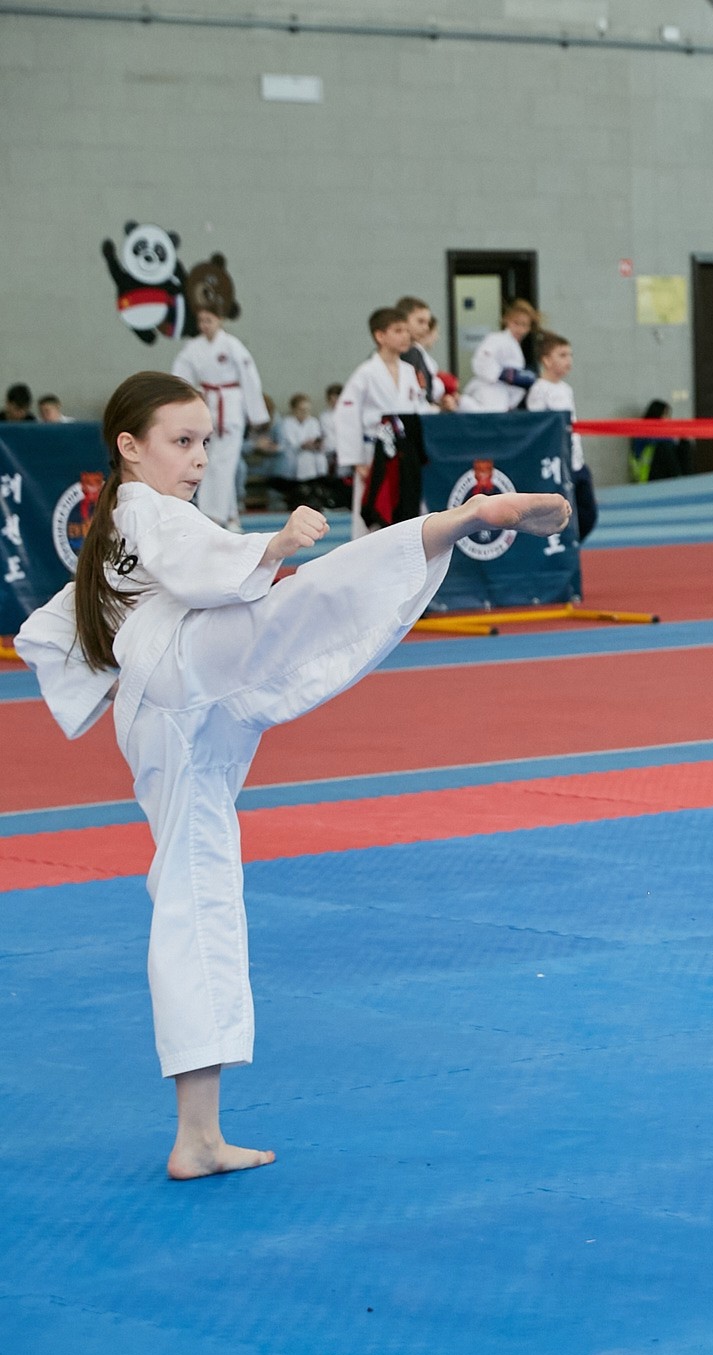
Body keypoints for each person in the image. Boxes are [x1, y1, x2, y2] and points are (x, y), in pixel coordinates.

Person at [13, 370, 571, 1181]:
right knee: (300, 609)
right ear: (128, 447)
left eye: (205, 441)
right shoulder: (143, 510)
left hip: (167, 714)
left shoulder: (115, 528)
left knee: (199, 887)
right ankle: (444, 527)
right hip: (183, 677)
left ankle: (198, 1133)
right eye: (181, 441)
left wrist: (122, 666)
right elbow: (192, 563)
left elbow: (63, 625)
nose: (198, 457)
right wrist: (268, 547)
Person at [335, 306, 433, 538]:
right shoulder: (366, 373)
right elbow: (346, 413)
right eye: (398, 331)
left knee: (408, 510)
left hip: (405, 453)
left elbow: (418, 408)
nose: (405, 336)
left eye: (406, 330)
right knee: (372, 512)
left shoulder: (409, 372)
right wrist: (356, 460)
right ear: (380, 336)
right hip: (373, 452)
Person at [172, 306, 268, 531]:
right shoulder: (193, 348)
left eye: (209, 320)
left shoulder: (232, 345)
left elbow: (250, 378)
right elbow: (179, 376)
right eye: (201, 321)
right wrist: (191, 393)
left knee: (223, 464)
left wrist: (256, 415)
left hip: (231, 409)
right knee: (213, 462)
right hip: (206, 408)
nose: (205, 325)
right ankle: (231, 516)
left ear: (220, 320)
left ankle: (213, 516)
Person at [526, 331, 598, 542]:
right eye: (563, 355)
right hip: (557, 465)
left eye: (570, 355)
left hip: (576, 461)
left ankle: (573, 545)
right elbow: (539, 430)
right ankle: (563, 549)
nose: (569, 360)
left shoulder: (566, 389)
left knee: (588, 514)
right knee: (562, 515)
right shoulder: (539, 390)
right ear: (547, 360)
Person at [459, 298, 540, 413]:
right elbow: (482, 360)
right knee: (485, 415)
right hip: (489, 389)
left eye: (524, 325)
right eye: (516, 323)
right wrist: (501, 374)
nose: (520, 329)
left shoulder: (515, 346)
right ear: (506, 320)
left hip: (503, 397)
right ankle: (459, 402)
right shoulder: (497, 339)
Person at [395, 295, 454, 409]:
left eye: (427, 323)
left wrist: (439, 406)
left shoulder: (416, 353)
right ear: (402, 320)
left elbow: (423, 396)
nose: (426, 328)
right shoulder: (406, 354)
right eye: (420, 321)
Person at [629, 399, 694, 482]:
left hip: (662, 471)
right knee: (664, 447)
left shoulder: (665, 435)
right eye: (666, 415)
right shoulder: (643, 430)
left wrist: (683, 440)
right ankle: (678, 480)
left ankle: (687, 480)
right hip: (646, 474)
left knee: (684, 445)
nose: (669, 419)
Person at [281, 393, 328, 506]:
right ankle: (305, 489)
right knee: (305, 459)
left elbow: (316, 438)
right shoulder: (287, 422)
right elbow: (292, 443)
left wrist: (316, 444)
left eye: (307, 410)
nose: (305, 413)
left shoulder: (313, 421)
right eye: (301, 410)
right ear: (294, 409)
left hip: (312, 452)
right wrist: (304, 445)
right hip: (294, 454)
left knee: (320, 458)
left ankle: (317, 489)